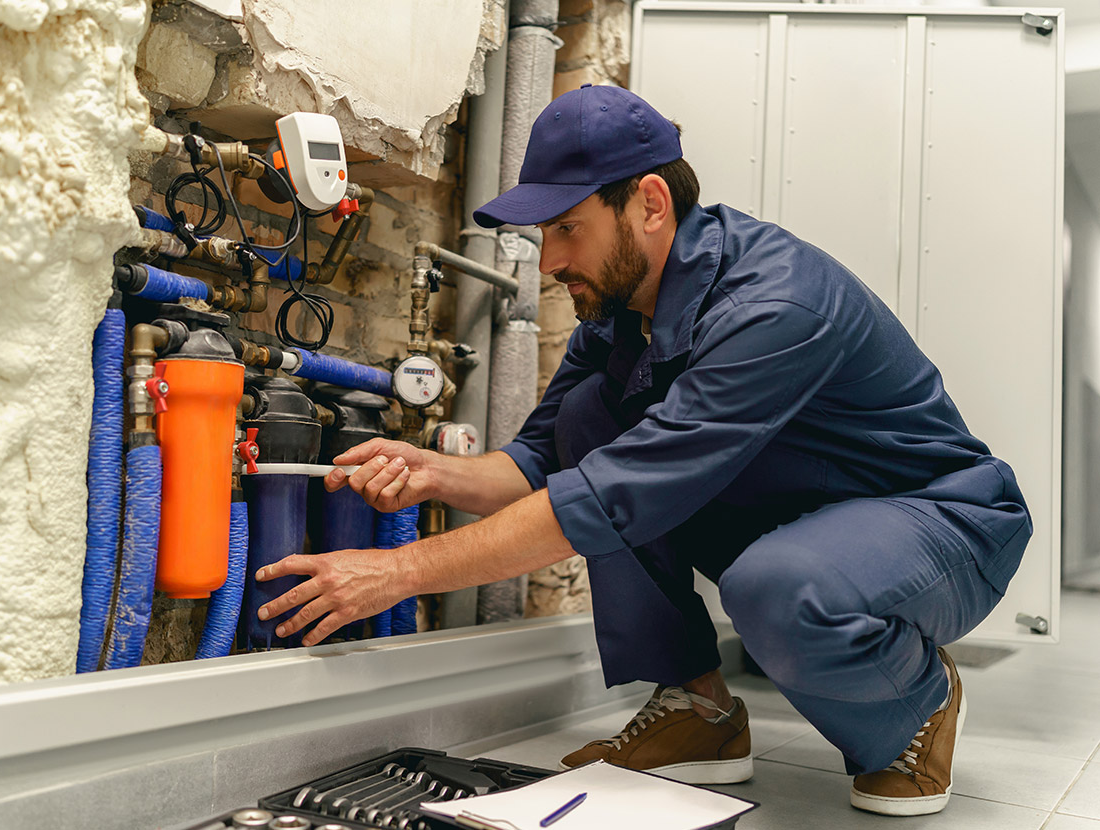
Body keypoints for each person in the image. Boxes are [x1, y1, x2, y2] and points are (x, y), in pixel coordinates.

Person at [252, 84, 1031, 817]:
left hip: (942, 523)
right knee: (593, 414)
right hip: (805, 520)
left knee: (777, 587)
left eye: (567, 229)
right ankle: (698, 708)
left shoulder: (776, 304)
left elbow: (607, 497)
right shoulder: (618, 315)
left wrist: (396, 572)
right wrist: (434, 474)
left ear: (650, 204)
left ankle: (914, 704)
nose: (549, 261)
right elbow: (540, 466)